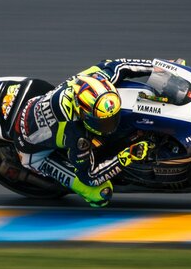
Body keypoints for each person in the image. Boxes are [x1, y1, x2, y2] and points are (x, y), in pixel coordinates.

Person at [13, 58, 163, 207]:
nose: (111, 125)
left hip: (35, 104)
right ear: (82, 113)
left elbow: (120, 65)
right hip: (34, 151)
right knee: (101, 194)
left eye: (112, 118)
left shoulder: (93, 81)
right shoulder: (76, 135)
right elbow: (90, 177)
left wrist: (159, 68)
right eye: (103, 122)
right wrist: (127, 155)